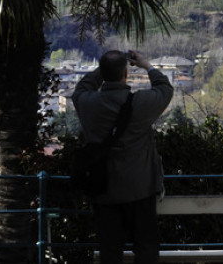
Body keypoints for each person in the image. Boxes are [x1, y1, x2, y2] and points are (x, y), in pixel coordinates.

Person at [73, 50, 174, 264]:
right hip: (140, 187)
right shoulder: (141, 104)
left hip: (103, 188)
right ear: (126, 74)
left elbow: (82, 88)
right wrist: (147, 65)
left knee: (110, 251)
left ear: (103, 72)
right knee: (146, 249)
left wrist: (104, 69)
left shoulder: (88, 103)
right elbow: (165, 89)